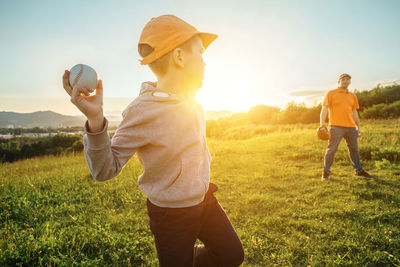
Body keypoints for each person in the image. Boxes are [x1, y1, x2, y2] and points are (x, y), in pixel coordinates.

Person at [62, 14, 244, 267]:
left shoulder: (193, 102)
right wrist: (95, 120)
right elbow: (105, 169)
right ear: (179, 57)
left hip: (204, 201)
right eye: (200, 54)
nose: (204, 63)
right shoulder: (143, 110)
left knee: (231, 255)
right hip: (171, 216)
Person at [320, 73, 374, 181]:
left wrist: (358, 127)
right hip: (336, 127)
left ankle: (359, 171)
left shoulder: (352, 96)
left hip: (351, 127)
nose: (345, 81)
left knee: (354, 149)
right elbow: (324, 109)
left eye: (347, 80)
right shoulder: (331, 93)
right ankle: (326, 173)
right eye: (343, 79)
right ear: (339, 82)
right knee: (331, 149)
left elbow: (354, 112)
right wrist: (322, 125)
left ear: (349, 82)